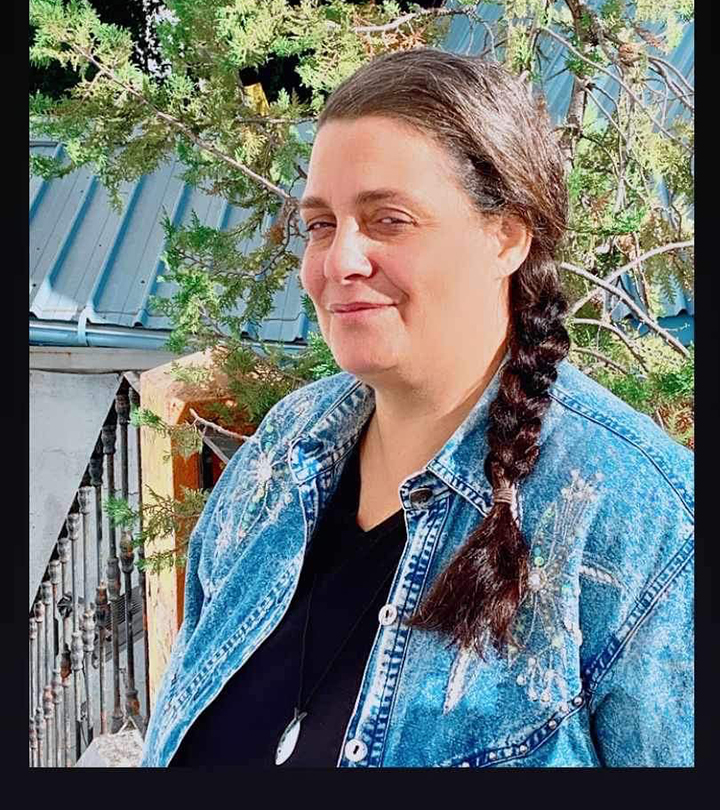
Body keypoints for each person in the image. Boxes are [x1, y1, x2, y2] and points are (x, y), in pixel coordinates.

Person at [141, 47, 694, 768]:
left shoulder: (640, 522)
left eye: (389, 220)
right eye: (320, 224)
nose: (340, 261)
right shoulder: (279, 459)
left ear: (507, 236)